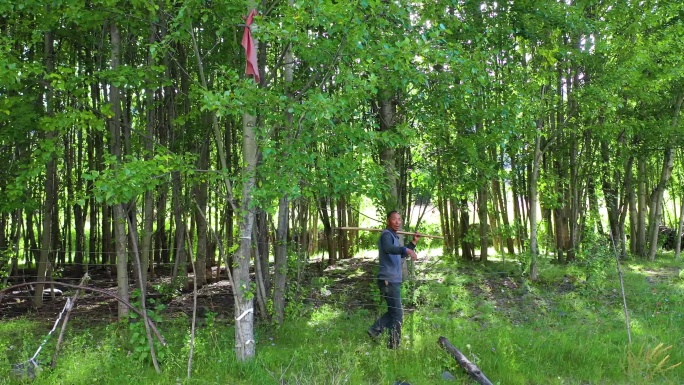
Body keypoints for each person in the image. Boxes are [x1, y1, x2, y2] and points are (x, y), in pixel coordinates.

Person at [367, 210, 420, 349]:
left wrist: (413, 243)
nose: (397, 222)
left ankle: (374, 330)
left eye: (399, 219)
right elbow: (390, 249)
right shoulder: (386, 235)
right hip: (388, 280)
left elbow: (400, 255)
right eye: (394, 219)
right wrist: (407, 250)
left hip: (393, 280)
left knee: (393, 312)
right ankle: (394, 345)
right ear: (388, 221)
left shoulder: (394, 237)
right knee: (397, 315)